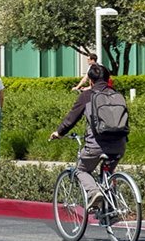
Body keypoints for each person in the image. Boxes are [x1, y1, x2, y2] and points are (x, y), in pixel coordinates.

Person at [49, 63, 127, 209]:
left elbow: (71, 119)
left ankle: (94, 193)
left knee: (81, 169)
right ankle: (111, 211)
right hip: (119, 145)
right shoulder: (117, 95)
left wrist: (59, 133)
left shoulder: (87, 96)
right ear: (108, 78)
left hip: (96, 146)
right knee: (108, 173)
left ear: (90, 80)